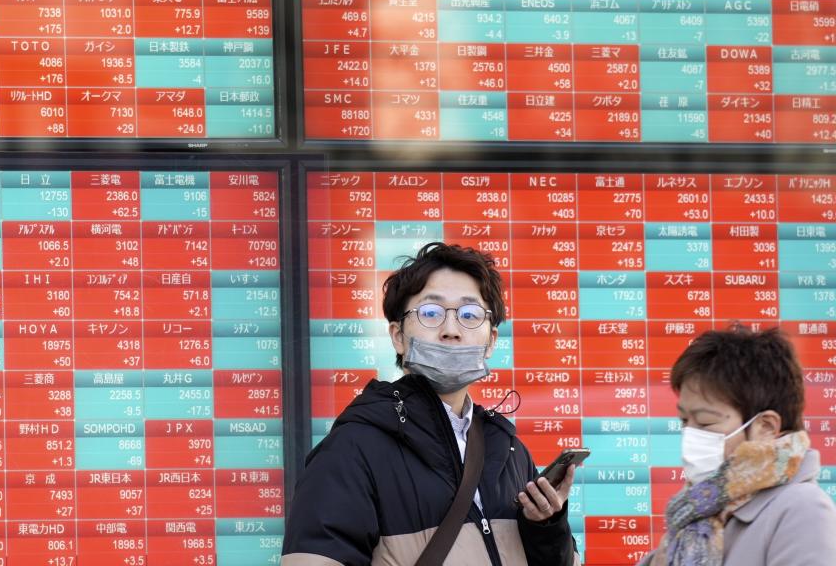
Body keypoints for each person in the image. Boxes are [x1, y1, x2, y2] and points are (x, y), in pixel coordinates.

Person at [282, 242, 579, 565]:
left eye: (469, 314)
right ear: (398, 335)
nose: (451, 330)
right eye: (431, 313)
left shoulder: (509, 451)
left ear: (491, 340)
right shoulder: (351, 450)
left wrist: (546, 528)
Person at [639, 326, 836, 566]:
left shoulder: (802, 510)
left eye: (705, 422)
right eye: (684, 421)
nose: (690, 434)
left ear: (765, 427)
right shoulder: (694, 510)